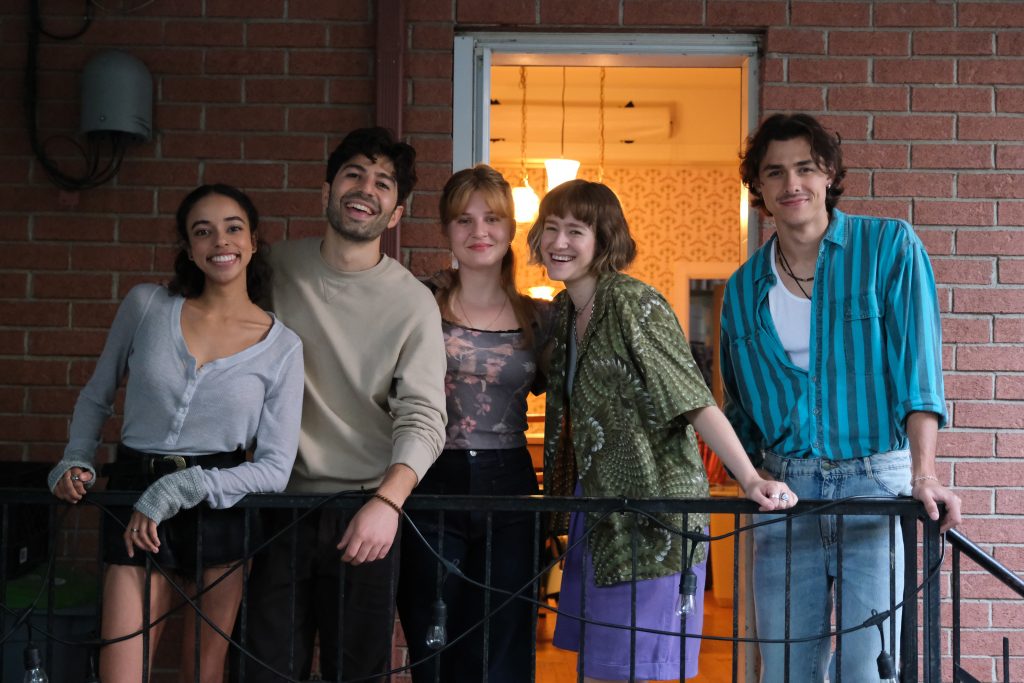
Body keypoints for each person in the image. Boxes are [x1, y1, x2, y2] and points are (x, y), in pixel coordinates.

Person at [721, 112, 963, 682]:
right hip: (787, 494)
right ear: (759, 188)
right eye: (774, 172)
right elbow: (739, 407)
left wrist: (924, 474)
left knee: (867, 670)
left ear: (828, 174)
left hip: (874, 486)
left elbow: (919, 372)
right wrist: (753, 475)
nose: (791, 184)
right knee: (786, 670)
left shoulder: (888, 247)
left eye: (805, 168)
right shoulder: (742, 288)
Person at [527, 179, 794, 682]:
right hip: (597, 510)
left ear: (604, 239)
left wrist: (749, 478)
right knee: (600, 669)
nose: (559, 242)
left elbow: (693, 400)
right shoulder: (564, 313)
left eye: (576, 231)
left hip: (651, 516)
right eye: (551, 228)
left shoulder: (632, 302)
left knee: (633, 669)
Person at [47, 183, 304, 683]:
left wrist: (185, 486)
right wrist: (75, 458)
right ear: (189, 248)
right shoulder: (147, 305)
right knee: (120, 673)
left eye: (233, 228)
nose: (220, 241)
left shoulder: (282, 346)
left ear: (253, 242)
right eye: (202, 231)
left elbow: (275, 468)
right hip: (134, 495)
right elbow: (97, 394)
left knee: (200, 674)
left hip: (219, 502)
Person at [239, 127, 447, 683]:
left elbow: (425, 417)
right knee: (262, 671)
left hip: (365, 509)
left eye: (383, 183)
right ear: (326, 190)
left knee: (357, 674)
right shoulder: (272, 270)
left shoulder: (413, 303)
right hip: (277, 502)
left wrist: (388, 502)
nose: (365, 189)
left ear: (396, 214)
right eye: (354, 174)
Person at [397, 165, 552, 682]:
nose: (479, 231)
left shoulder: (540, 317)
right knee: (433, 634)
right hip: (430, 477)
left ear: (511, 229)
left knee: (504, 641)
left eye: (492, 219)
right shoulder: (419, 301)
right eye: (464, 220)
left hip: (510, 483)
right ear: (446, 230)